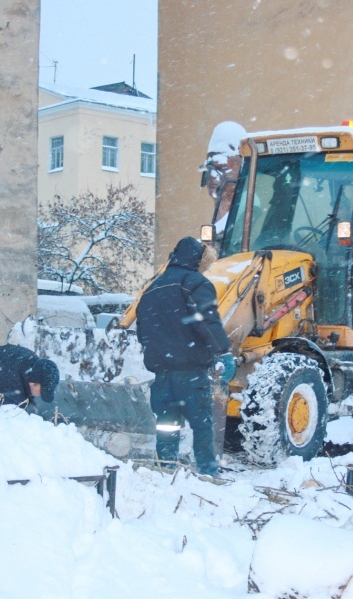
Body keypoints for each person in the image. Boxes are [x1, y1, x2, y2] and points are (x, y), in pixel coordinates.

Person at [136, 236, 235, 476]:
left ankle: (166, 467)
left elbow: (143, 331)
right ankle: (208, 471)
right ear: (198, 259)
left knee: (167, 425)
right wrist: (223, 352)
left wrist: (163, 351)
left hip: (162, 372)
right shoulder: (195, 283)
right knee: (201, 424)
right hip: (190, 371)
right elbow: (206, 320)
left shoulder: (153, 287)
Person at [200, 121, 247, 232]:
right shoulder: (220, 213)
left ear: (241, 168)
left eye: (222, 169)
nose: (213, 177)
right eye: (210, 169)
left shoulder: (248, 208)